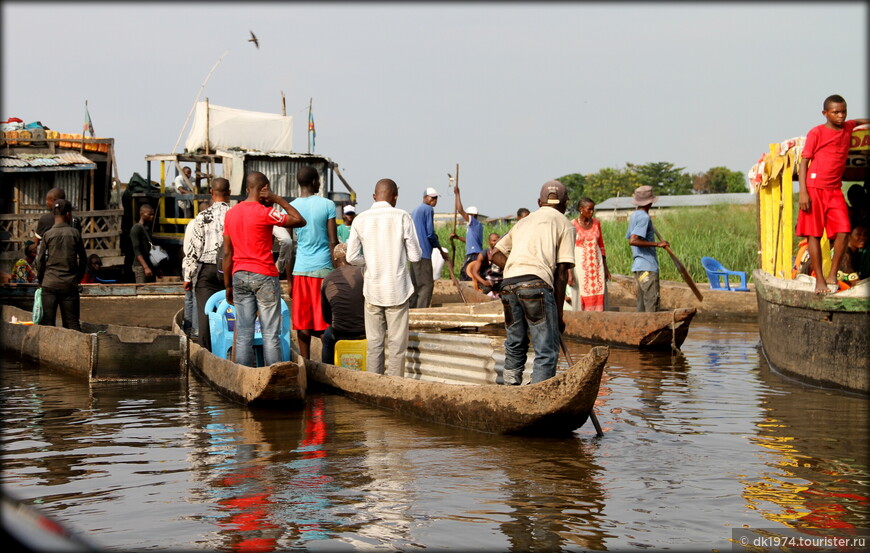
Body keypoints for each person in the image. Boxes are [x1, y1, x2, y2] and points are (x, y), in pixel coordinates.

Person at [491, 180, 575, 385]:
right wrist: (559, 315)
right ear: (565, 203)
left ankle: (511, 389)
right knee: (546, 349)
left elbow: (495, 254)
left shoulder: (524, 221)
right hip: (536, 284)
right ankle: (539, 393)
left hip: (509, 284)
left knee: (515, 343)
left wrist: (516, 267)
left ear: (540, 202)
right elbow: (562, 273)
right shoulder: (564, 223)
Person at [223, 171, 306, 367]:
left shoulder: (231, 214)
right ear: (264, 189)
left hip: (239, 275)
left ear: (246, 189)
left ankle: (243, 376)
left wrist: (228, 285)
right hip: (265, 275)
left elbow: (227, 253)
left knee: (243, 332)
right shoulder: (266, 212)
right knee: (270, 332)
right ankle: (273, 374)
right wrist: (277, 198)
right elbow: (299, 220)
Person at [346, 178, 422, 376]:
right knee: (397, 347)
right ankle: (395, 389)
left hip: (372, 290)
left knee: (374, 345)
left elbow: (351, 257)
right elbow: (415, 256)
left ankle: (373, 386)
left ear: (374, 197)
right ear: (395, 197)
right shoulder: (402, 216)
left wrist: (370, 261)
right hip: (397, 289)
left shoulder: (360, 219)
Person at [797, 94, 870, 294]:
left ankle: (832, 275)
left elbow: (860, 121)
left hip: (834, 190)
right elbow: (804, 162)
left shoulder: (848, 127)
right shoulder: (817, 132)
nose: (840, 116)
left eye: (843, 111)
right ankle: (820, 279)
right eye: (835, 112)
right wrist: (803, 192)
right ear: (825, 113)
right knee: (814, 234)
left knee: (844, 230)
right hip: (814, 188)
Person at [289, 166, 338, 359]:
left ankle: (306, 364)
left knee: (303, 322)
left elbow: (287, 246)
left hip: (300, 270)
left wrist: (289, 279)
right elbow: (333, 241)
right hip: (324, 270)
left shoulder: (291, 207)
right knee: (325, 321)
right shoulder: (327, 205)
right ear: (314, 182)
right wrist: (337, 273)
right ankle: (327, 364)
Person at [182, 178, 231, 349]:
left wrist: (188, 277)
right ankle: (230, 350)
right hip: (231, 270)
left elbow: (193, 250)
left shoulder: (202, 217)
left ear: (211, 192)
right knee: (232, 313)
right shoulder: (236, 215)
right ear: (229, 193)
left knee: (206, 315)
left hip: (208, 271)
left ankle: (207, 353)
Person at [35, 199, 87, 330]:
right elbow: (83, 259)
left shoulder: (47, 235)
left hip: (49, 284)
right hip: (69, 285)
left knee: (48, 323)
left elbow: (39, 261)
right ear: (68, 214)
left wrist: (42, 281)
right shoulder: (75, 234)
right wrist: (77, 279)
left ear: (54, 214)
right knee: (72, 323)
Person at [320, 242, 366, 364]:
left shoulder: (327, 279)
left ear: (335, 261)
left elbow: (326, 317)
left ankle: (327, 373)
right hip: (364, 331)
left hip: (340, 332)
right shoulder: (363, 273)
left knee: (327, 338)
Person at [626, 185, 669, 312]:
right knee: (651, 301)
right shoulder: (644, 217)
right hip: (647, 267)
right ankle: (652, 330)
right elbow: (633, 240)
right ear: (650, 202)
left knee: (642, 302)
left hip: (639, 268)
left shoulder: (635, 215)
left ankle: (641, 327)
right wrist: (657, 244)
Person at [567, 198, 611, 311]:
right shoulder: (572, 225)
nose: (592, 212)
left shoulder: (596, 223)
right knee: (581, 292)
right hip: (580, 267)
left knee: (599, 292)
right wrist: (569, 272)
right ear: (581, 209)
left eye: (593, 210)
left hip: (597, 266)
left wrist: (606, 268)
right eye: (589, 209)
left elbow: (601, 246)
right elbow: (568, 250)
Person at [410, 187, 448, 308]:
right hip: (423, 254)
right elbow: (430, 233)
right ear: (425, 198)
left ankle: (412, 312)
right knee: (426, 285)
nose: (435, 200)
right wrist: (439, 248)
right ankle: (422, 313)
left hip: (414, 254)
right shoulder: (428, 209)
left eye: (436, 198)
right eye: (432, 198)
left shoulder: (416, 210)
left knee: (415, 285)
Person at [451, 183, 483, 281]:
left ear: (472, 215)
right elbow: (469, 241)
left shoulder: (474, 223)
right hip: (474, 254)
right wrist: (458, 237)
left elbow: (460, 210)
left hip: (474, 255)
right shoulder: (474, 226)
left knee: (466, 276)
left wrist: (457, 194)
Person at [130, 204, 159, 283]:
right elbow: (137, 250)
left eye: (153, 214)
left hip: (150, 264)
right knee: (141, 290)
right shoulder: (136, 228)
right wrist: (145, 267)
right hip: (140, 266)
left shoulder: (147, 229)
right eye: (149, 214)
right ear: (142, 214)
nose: (152, 216)